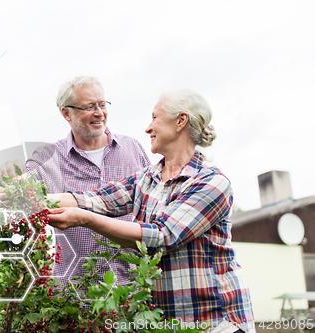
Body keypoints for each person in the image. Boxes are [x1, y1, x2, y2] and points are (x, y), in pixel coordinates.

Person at [47, 89, 255, 332]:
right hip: (167, 325)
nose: (148, 128)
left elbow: (160, 236)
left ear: (181, 121)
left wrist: (86, 220)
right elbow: (93, 199)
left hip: (216, 323)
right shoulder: (146, 179)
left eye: (155, 118)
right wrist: (26, 196)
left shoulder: (211, 182)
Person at [0, 76, 151, 290]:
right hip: (75, 295)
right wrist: (15, 179)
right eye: (89, 106)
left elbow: (154, 203)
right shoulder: (48, 157)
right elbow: (26, 188)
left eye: (102, 104)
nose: (99, 113)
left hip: (134, 288)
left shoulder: (132, 149)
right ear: (66, 113)